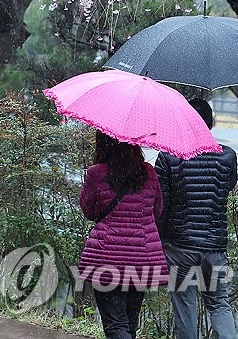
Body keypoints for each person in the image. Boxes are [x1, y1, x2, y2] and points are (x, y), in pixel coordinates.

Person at [155, 98, 238, 339]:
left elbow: (161, 205)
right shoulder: (227, 156)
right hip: (214, 246)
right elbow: (227, 187)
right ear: (210, 125)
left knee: (185, 307)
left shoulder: (168, 157)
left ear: (183, 123)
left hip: (179, 246)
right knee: (219, 304)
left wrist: (159, 242)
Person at [78, 131, 169, 339]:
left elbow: (88, 211)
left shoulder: (96, 173)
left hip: (106, 257)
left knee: (115, 326)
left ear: (103, 143)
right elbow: (156, 212)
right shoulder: (148, 173)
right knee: (129, 323)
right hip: (141, 258)